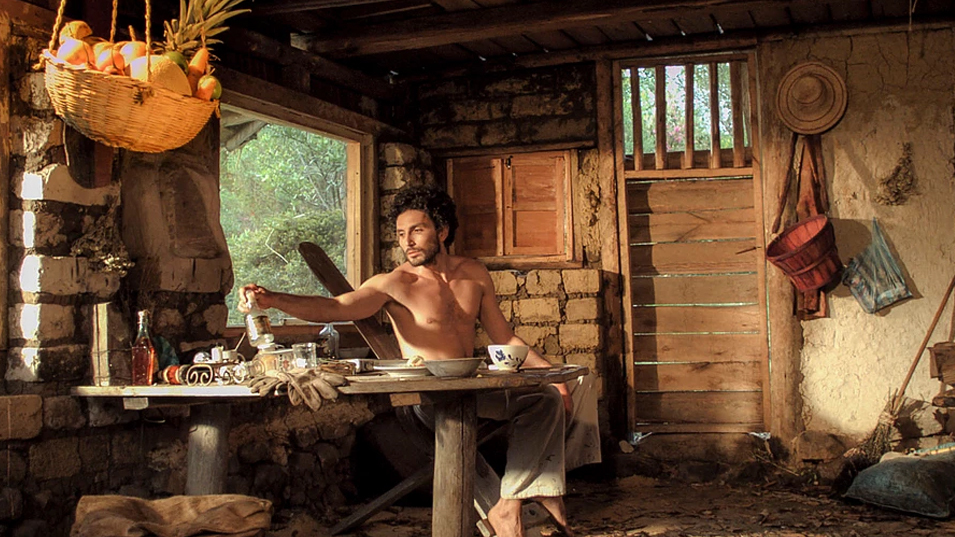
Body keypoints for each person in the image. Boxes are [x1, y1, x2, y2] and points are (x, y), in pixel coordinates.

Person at [239, 184, 577, 537]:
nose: (407, 242)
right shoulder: (394, 284)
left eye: (416, 230)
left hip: (474, 388)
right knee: (534, 403)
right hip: (428, 398)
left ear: (441, 231)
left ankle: (509, 505)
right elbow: (335, 307)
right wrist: (274, 299)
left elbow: (504, 338)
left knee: (546, 399)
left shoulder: (474, 274)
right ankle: (537, 499)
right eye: (401, 234)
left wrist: (554, 377)